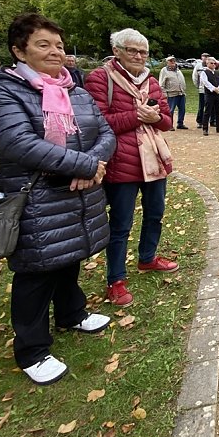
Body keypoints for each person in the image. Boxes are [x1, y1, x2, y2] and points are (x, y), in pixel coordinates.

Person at [0, 13, 116, 385]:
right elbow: (18, 143)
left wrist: (91, 164)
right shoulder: (2, 90)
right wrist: (86, 165)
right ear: (18, 50)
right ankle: (32, 349)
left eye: (58, 44)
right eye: (43, 44)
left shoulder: (75, 89)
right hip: (35, 199)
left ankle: (72, 313)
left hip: (77, 193)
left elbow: (105, 133)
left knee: (68, 257)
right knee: (36, 272)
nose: (55, 51)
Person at [85, 28, 178, 308]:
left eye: (143, 52)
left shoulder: (150, 81)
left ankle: (147, 258)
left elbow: (167, 122)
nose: (139, 56)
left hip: (153, 160)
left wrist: (156, 116)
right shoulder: (101, 78)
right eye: (132, 50)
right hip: (121, 162)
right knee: (121, 224)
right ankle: (116, 278)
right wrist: (137, 116)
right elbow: (98, 122)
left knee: (155, 214)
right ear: (117, 51)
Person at [199, 57, 219, 135]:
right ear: (207, 64)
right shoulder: (204, 72)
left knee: (218, 111)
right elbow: (205, 82)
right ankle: (205, 129)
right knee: (207, 111)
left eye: (214, 63)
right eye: (211, 63)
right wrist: (214, 89)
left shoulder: (218, 73)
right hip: (209, 95)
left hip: (218, 94)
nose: (213, 65)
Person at [159, 56, 188, 130]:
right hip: (171, 94)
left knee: (182, 109)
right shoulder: (164, 71)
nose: (172, 62)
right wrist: (164, 94)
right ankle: (169, 125)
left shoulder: (178, 70)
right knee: (170, 110)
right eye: (170, 61)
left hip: (181, 93)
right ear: (167, 62)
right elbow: (161, 84)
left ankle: (180, 123)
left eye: (174, 61)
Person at [193, 53, 209, 129]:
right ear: (201, 57)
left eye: (207, 57)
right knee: (201, 106)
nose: (206, 58)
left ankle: (212, 120)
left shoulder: (210, 65)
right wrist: (198, 86)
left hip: (210, 90)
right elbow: (195, 77)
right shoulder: (198, 66)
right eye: (204, 57)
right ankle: (200, 121)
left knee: (211, 106)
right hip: (202, 90)